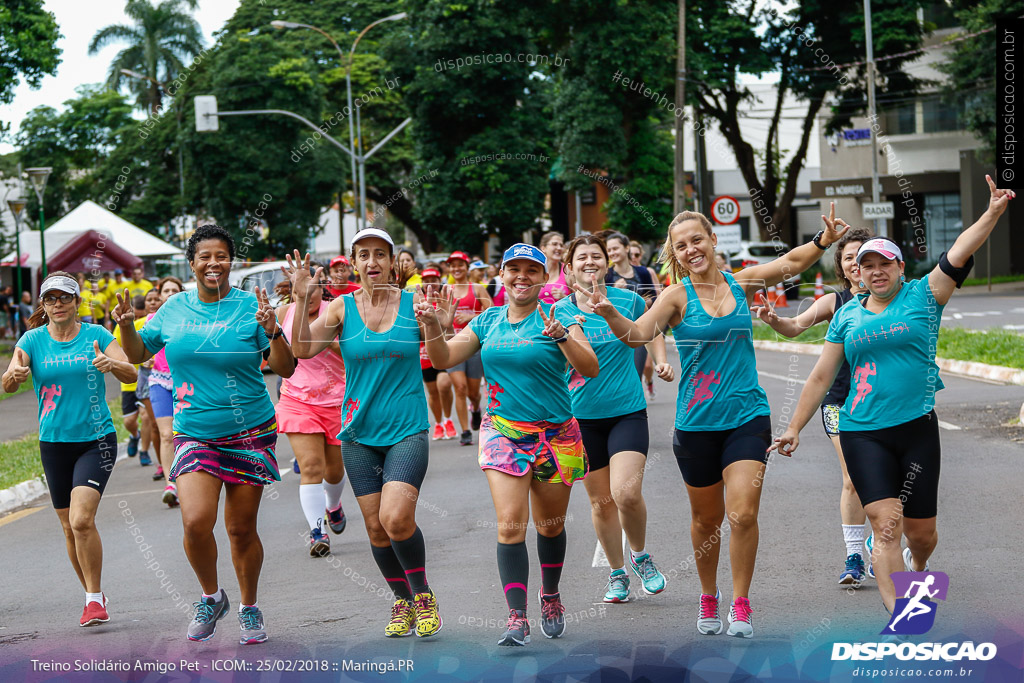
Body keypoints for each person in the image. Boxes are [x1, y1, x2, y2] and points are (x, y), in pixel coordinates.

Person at [582, 208, 848, 638]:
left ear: (712, 241)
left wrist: (824, 239)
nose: (691, 250)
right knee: (706, 522)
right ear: (677, 253)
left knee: (742, 514)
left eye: (697, 240)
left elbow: (792, 264)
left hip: (747, 417)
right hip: (696, 425)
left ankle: (741, 603)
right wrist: (609, 312)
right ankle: (710, 596)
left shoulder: (742, 283)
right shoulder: (675, 297)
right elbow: (636, 335)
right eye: (682, 245)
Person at [770, 175, 1013, 621]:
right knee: (885, 525)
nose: (876, 271)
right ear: (856, 272)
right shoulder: (846, 316)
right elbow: (821, 376)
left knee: (921, 535)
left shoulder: (925, 295)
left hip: (917, 429)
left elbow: (959, 249)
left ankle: (918, 567)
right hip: (862, 431)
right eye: (867, 265)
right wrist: (792, 427)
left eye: (886, 263)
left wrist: (993, 212)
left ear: (901, 268)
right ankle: (903, 613)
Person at [114, 223, 296, 645]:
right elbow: (139, 353)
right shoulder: (173, 308)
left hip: (249, 431)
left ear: (231, 261)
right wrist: (125, 325)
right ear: (192, 263)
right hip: (194, 431)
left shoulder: (251, 307)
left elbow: (285, 368)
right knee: (196, 520)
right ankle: (211, 597)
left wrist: (272, 329)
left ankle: (249, 607)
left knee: (240, 529)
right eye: (204, 257)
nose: (213, 263)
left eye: (221, 256)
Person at [421, 242, 598, 646]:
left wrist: (563, 338)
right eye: (513, 269)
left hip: (557, 436)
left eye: (531, 270)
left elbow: (590, 366)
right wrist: (434, 326)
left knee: (550, 527)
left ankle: (550, 595)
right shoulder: (487, 322)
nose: (522, 276)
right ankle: (517, 616)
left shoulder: (561, 316)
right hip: (503, 431)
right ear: (502, 275)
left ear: (543, 277)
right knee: (510, 524)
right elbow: (444, 358)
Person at [287, 229, 443, 640]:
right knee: (375, 527)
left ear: (392, 261)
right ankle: (401, 600)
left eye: (379, 254)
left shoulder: (413, 304)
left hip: (407, 429)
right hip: (356, 433)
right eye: (363, 255)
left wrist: (437, 326)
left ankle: (422, 593)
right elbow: (301, 350)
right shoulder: (341, 307)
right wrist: (304, 299)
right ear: (353, 263)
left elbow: (440, 356)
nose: (371, 262)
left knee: (395, 517)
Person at [2, 272, 136, 627]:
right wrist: (13, 377)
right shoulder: (31, 340)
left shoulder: (97, 335)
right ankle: (94, 595)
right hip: (54, 443)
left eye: (65, 298)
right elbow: (9, 380)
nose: (58, 305)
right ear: (43, 305)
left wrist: (113, 364)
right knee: (67, 526)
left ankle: (94, 599)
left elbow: (130, 373)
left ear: (77, 302)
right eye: (50, 299)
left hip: (96, 440)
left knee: (81, 519)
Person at [556, 234, 674, 604]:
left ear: (607, 262)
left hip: (627, 411)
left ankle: (640, 556)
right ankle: (617, 574)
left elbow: (648, 331)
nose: (589, 262)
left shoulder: (629, 300)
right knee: (601, 503)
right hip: (583, 418)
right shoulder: (559, 311)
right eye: (581, 258)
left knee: (626, 492)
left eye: (596, 256)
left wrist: (659, 359)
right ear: (568, 267)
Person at [753, 227, 873, 584]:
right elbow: (795, 326)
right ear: (842, 266)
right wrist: (775, 320)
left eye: (862, 256)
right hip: (840, 403)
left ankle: (882, 533)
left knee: (886, 477)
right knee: (853, 476)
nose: (856, 263)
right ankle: (855, 556)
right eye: (849, 257)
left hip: (884, 403)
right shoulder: (835, 302)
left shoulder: (893, 300)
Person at [274, 262, 349, 557]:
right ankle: (317, 532)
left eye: (315, 288)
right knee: (311, 468)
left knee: (334, 470)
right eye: (302, 288)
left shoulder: (339, 312)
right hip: (297, 399)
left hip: (338, 401)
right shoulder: (284, 314)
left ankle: (333, 505)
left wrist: (327, 342)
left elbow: (355, 357)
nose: (310, 294)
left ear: (322, 289)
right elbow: (275, 353)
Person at [605, 233, 662, 399]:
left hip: (640, 329)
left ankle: (633, 407)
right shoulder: (607, 276)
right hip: (614, 332)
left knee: (638, 371)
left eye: (615, 248)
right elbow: (601, 302)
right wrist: (615, 290)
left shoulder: (642, 272)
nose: (612, 253)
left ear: (626, 248)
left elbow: (654, 297)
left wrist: (640, 301)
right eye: (609, 250)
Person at [445, 250, 493, 445]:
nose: (457, 269)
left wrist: (471, 317)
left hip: (474, 345)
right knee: (460, 387)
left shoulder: (477, 288)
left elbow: (492, 312)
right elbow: (439, 315)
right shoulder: (446, 290)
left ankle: (475, 407)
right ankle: (465, 431)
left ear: (467, 268)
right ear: (449, 268)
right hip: (452, 345)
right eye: (453, 265)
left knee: (473, 392)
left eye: (460, 265)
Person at [146, 277, 184, 500]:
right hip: (159, 381)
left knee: (186, 433)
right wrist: (143, 360)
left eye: (174, 290)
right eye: (166, 290)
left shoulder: (191, 319)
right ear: (160, 295)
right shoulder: (152, 320)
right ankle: (171, 485)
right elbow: (142, 350)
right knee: (166, 435)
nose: (169, 294)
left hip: (186, 382)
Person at [418, 266, 457, 440]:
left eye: (433, 279)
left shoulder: (444, 300)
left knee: (444, 385)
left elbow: (450, 334)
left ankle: (448, 419)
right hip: (425, 356)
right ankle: (439, 424)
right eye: (426, 280)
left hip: (442, 352)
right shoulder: (418, 301)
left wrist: (446, 325)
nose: (430, 283)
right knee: (433, 392)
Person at [112, 295, 148, 468]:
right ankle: (135, 436)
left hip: (148, 378)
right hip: (129, 382)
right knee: (129, 421)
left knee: (146, 416)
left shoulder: (149, 322)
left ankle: (144, 452)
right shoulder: (121, 327)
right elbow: (116, 349)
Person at [537, 232, 568, 303]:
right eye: (554, 244)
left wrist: (563, 297)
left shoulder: (567, 270)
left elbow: (578, 301)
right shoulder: (534, 270)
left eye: (561, 245)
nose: (559, 248)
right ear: (543, 248)